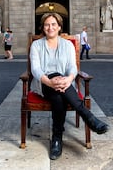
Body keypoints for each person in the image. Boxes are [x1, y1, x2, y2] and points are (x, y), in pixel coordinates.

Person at [30, 12, 108, 160]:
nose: (50, 27)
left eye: (54, 24)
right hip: (44, 84)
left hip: (65, 84)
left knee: (59, 98)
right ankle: (88, 117)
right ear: (43, 27)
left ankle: (57, 138)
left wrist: (69, 78)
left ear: (59, 27)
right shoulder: (36, 45)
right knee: (54, 80)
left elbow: (72, 67)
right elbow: (36, 69)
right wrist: (50, 81)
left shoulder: (67, 45)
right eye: (47, 24)